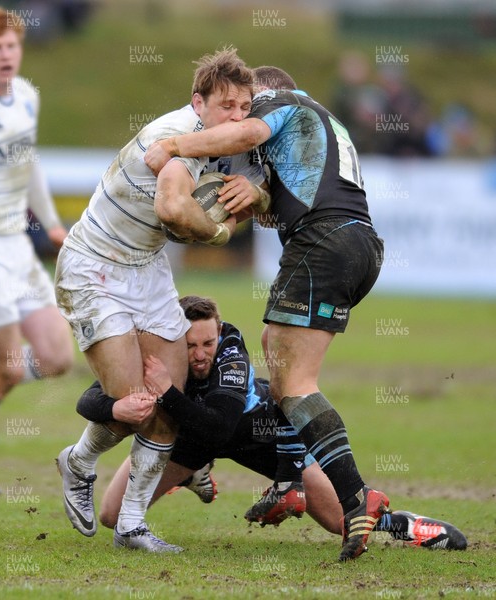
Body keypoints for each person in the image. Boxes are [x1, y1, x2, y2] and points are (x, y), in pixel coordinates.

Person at [144, 65, 392, 561]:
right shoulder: (322, 125)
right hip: (359, 245)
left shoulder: (283, 104)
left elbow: (248, 131)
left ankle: (356, 494)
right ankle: (288, 480)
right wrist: (255, 196)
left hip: (322, 242)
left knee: (295, 381)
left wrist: (173, 146)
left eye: (247, 101)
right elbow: (278, 203)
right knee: (281, 370)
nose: (243, 111)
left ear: (265, 93)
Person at [54, 48, 258, 553]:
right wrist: (219, 234)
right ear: (198, 103)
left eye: (244, 107)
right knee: (137, 405)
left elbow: (261, 189)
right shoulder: (175, 143)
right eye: (225, 106)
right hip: (94, 266)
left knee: (169, 397)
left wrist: (256, 194)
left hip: (145, 269)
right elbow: (172, 210)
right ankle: (78, 462)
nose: (236, 117)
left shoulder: (218, 140)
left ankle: (132, 524)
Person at [78, 295, 467, 552]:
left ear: (219, 332)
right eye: (189, 345)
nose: (199, 355)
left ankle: (409, 527)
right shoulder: (161, 348)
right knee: (113, 516)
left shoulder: (231, 346)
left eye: (207, 343)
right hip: (191, 439)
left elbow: (219, 426)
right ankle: (191, 471)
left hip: (256, 432)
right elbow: (88, 400)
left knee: (338, 521)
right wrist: (118, 408)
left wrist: (166, 392)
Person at [0, 6, 74, 493]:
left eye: (11, 46)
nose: (5, 54)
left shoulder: (28, 98)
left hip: (16, 244)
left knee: (57, 356)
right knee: (7, 369)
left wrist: (52, 224)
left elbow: (28, 164)